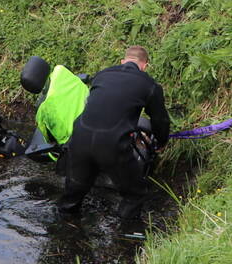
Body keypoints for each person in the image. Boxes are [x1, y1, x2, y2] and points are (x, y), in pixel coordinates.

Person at [58, 46, 170, 219]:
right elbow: (160, 120)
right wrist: (161, 143)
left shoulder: (102, 75)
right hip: (112, 144)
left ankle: (62, 232)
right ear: (144, 65)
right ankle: (125, 240)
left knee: (73, 193)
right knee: (136, 194)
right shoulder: (149, 85)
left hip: (79, 137)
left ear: (123, 61)